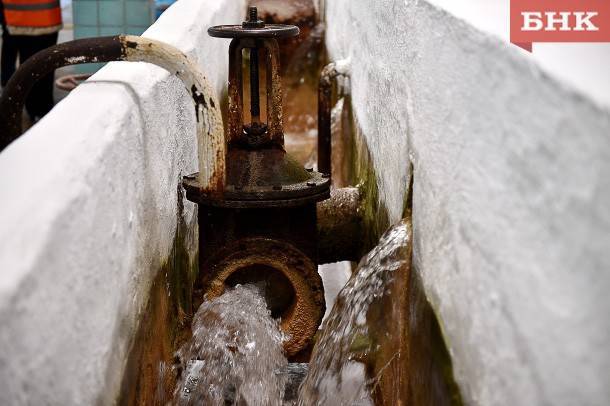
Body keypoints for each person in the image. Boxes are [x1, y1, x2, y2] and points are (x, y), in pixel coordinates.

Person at [1, 0, 62, 121]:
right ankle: (42, 109)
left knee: (30, 66)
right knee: (45, 65)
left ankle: (34, 110)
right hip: (46, 18)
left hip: (18, 19)